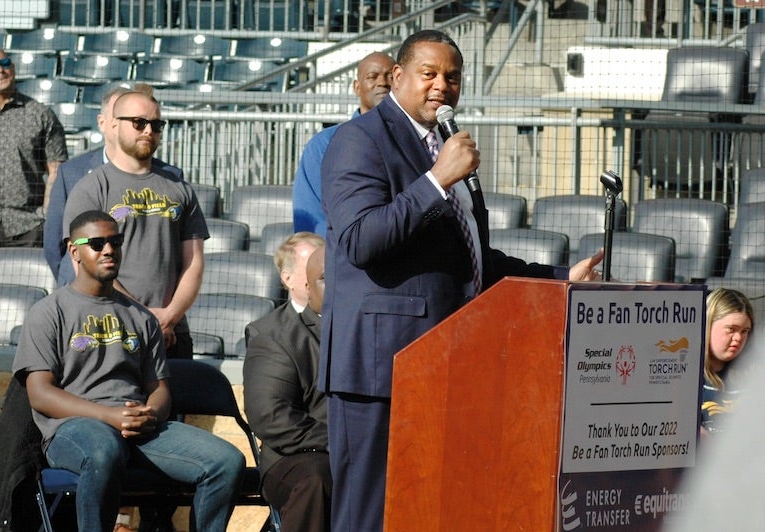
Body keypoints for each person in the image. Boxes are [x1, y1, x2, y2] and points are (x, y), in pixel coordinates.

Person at [319, 29, 604, 531]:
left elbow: (469, 257)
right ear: (399, 77)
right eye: (428, 74)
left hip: (446, 363)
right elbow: (360, 239)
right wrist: (436, 181)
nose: (441, 86)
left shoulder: (450, 145)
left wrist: (559, 277)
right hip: (380, 370)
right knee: (367, 516)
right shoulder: (359, 139)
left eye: (452, 77)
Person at [12, 210, 245, 532]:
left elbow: (159, 385)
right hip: (75, 427)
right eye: (96, 243)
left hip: (137, 426)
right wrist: (109, 417)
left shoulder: (142, 317)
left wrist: (150, 414)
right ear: (74, 251)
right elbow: (40, 393)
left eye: (115, 241)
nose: (108, 250)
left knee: (226, 461)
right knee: (103, 451)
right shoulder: (48, 312)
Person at [62, 89, 208, 361]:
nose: (148, 131)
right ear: (114, 124)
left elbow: (194, 263)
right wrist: (143, 316)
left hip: (172, 330)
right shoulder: (91, 189)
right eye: (139, 123)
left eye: (156, 124)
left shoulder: (180, 188)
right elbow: (85, 266)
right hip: (113, 330)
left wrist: (170, 316)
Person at [43, 83, 183, 286]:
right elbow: (54, 243)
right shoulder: (71, 173)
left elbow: (178, 248)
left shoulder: (170, 177)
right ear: (103, 122)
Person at [243, 244, 331, 532]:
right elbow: (271, 417)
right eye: (326, 276)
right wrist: (343, 440)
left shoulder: (372, 330)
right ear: (305, 281)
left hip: (362, 450)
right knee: (316, 480)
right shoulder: (274, 336)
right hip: (298, 455)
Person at [0, 45, 68, 283]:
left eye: (5, 63)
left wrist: (46, 216)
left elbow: (56, 170)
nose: (0, 70)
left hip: (27, 227)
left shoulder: (41, 115)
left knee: (25, 298)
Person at [293, 51, 395, 235]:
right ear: (357, 87)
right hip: (339, 257)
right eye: (372, 77)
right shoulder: (323, 144)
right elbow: (312, 216)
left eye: (391, 77)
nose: (383, 83)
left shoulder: (414, 140)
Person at [244, 231, 324, 343]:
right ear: (288, 279)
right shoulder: (265, 333)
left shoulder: (351, 317)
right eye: (311, 267)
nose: (325, 275)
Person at [700, 288, 755, 436]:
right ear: (708, 324)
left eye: (745, 331)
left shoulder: (754, 376)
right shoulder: (684, 377)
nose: (738, 338)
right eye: (731, 329)